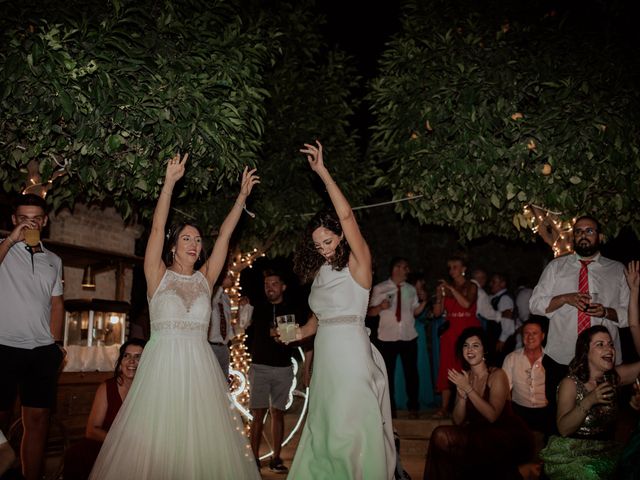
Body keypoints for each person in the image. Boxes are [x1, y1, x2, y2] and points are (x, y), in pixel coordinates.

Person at [89, 153, 260, 479]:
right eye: (186, 239)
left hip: (200, 369)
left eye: (197, 240)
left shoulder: (205, 278)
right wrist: (169, 183)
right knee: (158, 442)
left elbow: (224, 236)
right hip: (161, 369)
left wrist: (240, 198)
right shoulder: (158, 274)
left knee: (197, 443)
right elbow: (156, 227)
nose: (194, 244)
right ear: (172, 247)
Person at [288, 140, 395, 479]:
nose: (323, 250)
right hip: (326, 355)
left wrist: (322, 172)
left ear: (341, 238)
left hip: (351, 351)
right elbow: (312, 325)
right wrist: (287, 334)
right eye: (318, 245)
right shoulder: (320, 273)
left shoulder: (358, 263)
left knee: (352, 423)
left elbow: (347, 216)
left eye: (329, 242)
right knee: (327, 423)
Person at [529, 215, 630, 423]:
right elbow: (534, 304)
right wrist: (566, 298)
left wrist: (605, 312)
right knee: (558, 420)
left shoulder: (617, 270)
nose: (583, 235)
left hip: (604, 360)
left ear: (600, 236)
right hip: (561, 357)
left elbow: (630, 315)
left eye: (589, 231)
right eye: (578, 231)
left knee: (603, 419)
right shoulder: (556, 267)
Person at [0, 193, 65, 480]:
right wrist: (11, 240)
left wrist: (57, 344)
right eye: (23, 219)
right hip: (4, 346)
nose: (30, 224)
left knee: (37, 421)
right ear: (14, 220)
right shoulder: (3, 248)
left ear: (45, 221)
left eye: (35, 219)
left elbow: (57, 303)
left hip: (41, 351)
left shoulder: (54, 260)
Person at [424, 326, 534, 480]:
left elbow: (492, 416)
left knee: (475, 444)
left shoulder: (497, 374)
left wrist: (468, 388)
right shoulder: (464, 377)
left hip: (502, 434)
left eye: (475, 345)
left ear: (484, 350)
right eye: (466, 345)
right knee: (440, 434)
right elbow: (457, 420)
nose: (470, 349)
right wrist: (462, 396)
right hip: (476, 432)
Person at [540, 325, 640, 479]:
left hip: (606, 450)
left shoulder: (613, 378)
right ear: (586, 352)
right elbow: (564, 429)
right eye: (600, 344)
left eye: (611, 344)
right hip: (574, 453)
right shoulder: (570, 383)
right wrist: (589, 400)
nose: (609, 349)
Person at [63, 339, 146, 479]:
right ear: (120, 362)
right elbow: (91, 430)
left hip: (139, 447)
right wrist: (118, 443)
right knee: (76, 453)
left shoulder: (151, 390)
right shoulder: (107, 388)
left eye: (138, 357)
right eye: (127, 356)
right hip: (107, 443)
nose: (131, 361)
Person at [245, 270, 301, 473]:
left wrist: (286, 334)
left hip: (284, 368)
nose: (270, 287)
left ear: (283, 286)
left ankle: (276, 458)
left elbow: (293, 337)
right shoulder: (258, 307)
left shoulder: (291, 308)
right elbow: (249, 327)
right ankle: (253, 459)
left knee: (278, 413)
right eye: (267, 283)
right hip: (260, 367)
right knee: (257, 414)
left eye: (274, 283)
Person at [368, 258, 427, 418]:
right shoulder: (380, 288)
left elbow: (415, 312)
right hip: (387, 338)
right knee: (387, 374)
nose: (407, 271)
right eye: (404, 267)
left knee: (412, 374)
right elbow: (369, 312)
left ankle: (413, 407)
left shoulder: (410, 289)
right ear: (396, 269)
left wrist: (424, 301)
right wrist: (380, 307)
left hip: (409, 336)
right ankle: (390, 409)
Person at [433, 254, 480, 418]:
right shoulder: (446, 288)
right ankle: (444, 407)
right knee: (447, 367)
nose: (451, 270)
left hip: (468, 331)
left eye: (455, 267)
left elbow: (467, 304)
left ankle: (470, 405)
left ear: (464, 269)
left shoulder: (471, 286)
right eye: (450, 267)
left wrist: (451, 289)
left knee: (468, 366)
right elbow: (437, 313)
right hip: (451, 332)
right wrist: (439, 296)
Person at [501, 319, 551, 438]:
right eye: (526, 333)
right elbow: (504, 390)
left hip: (546, 412)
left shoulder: (551, 359)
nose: (530, 337)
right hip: (519, 411)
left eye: (534, 333)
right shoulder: (511, 358)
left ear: (542, 336)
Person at [208, 270, 233, 378]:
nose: (230, 278)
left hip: (224, 348)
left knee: (224, 384)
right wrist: (221, 286)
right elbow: (211, 305)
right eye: (227, 276)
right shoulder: (209, 295)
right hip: (211, 347)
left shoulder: (226, 298)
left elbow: (227, 322)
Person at [489, 272, 516, 364]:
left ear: (503, 284)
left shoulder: (504, 298)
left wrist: (501, 340)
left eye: (493, 282)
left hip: (502, 341)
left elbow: (508, 321)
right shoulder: (496, 298)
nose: (490, 284)